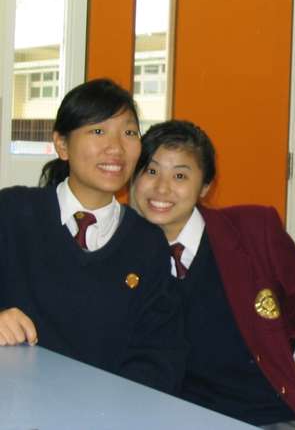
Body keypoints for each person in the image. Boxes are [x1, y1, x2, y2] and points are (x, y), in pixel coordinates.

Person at [131, 120, 295, 430]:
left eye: (180, 175)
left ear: (205, 186)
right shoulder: (126, 253)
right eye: (151, 171)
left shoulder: (253, 230)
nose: (162, 188)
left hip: (277, 411)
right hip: (184, 418)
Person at [0, 79, 185, 394]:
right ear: (62, 145)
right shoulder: (12, 212)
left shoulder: (147, 243)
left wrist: (115, 403)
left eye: (129, 133)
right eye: (98, 131)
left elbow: (161, 352)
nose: (116, 148)